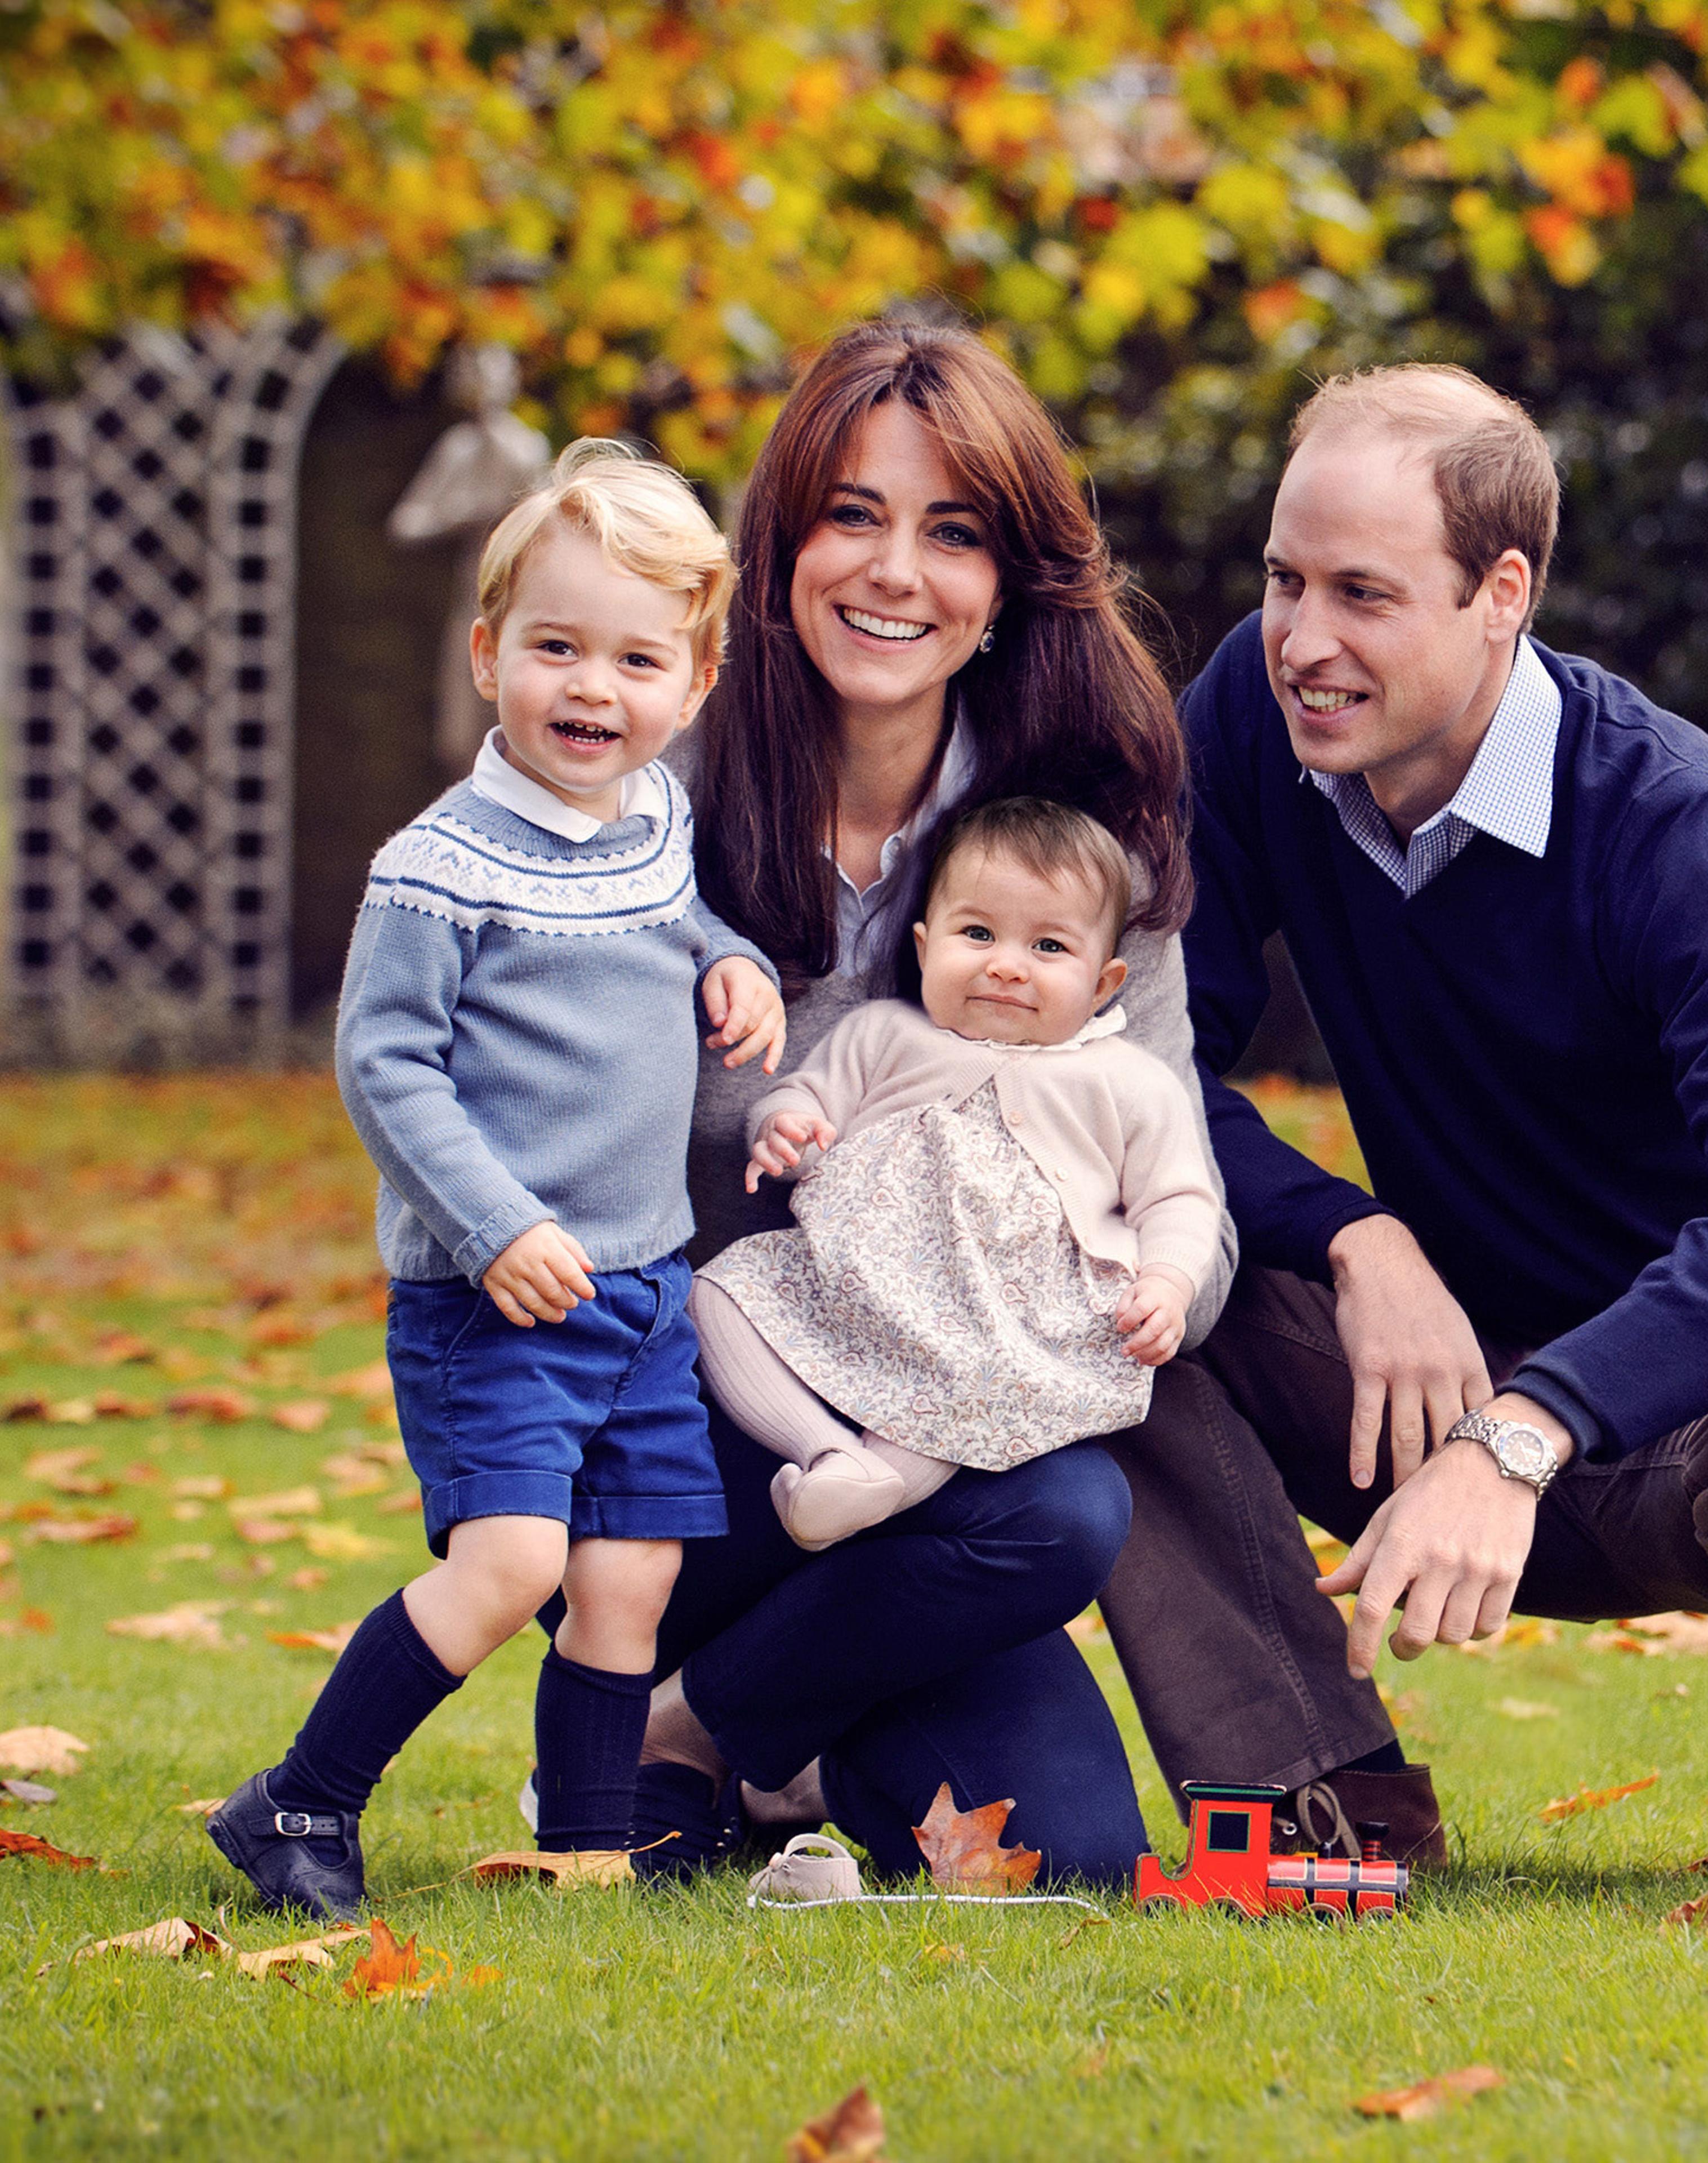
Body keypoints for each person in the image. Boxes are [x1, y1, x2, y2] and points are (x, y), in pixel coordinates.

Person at [1100, 363, 1708, 1875]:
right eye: (1284, 581)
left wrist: (1527, 1427)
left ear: (1502, 592)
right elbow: (1132, 1058)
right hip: (1424, 1380)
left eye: (1364, 595)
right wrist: (1354, 1236)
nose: (1304, 642)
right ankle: (1324, 1797)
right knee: (1097, 1258)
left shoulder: (1675, 821)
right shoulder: (1254, 711)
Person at [607, 319, 1238, 1888]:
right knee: (1013, 1513)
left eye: (950, 532)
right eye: (852, 517)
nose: (895, 573)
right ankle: (711, 1704)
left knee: (1069, 1839)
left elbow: (1181, 1185)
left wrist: (1120, 1292)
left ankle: (703, 1733)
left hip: (954, 1461)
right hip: (688, 1434)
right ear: (780, 544)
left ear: (1010, 579)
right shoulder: (651, 806)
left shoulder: (1084, 850)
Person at [208, 442, 784, 1921]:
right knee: (514, 1559)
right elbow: (385, 1068)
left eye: (637, 658)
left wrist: (734, 963)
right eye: (556, 648)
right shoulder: (437, 866)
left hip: (646, 1287)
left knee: (629, 1582)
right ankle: (297, 1803)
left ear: (696, 679)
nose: (594, 689)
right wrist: (497, 1224)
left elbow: (683, 923)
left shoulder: (654, 821)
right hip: (499, 1296)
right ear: (489, 656)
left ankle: (585, 1846)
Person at [698, 796, 1219, 1550]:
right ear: (923, 945)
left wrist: (1167, 1281)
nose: (1005, 964)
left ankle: (875, 1482)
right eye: (976, 934)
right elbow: (807, 1102)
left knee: (971, 1383)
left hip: (1004, 1316)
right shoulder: (884, 1035)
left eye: (1048, 948)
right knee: (716, 1295)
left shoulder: (1126, 1082)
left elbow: (1178, 1196)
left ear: (1105, 984)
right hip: (851, 1280)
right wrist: (787, 1130)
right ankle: (829, 1455)